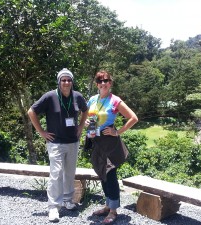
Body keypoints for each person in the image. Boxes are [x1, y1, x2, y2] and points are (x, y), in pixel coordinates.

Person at [27, 68, 88, 222]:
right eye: (63, 80)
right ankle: (54, 207)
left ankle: (68, 201)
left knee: (69, 173)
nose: (66, 82)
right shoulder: (50, 96)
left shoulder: (77, 96)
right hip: (56, 143)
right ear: (59, 82)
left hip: (73, 142)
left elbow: (85, 111)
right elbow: (31, 111)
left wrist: (80, 127)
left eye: (69, 80)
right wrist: (41, 132)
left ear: (72, 82)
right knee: (56, 174)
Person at [86, 70, 138, 224]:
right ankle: (108, 206)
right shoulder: (92, 100)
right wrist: (88, 125)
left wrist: (117, 131)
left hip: (109, 142)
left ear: (110, 83)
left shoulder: (115, 100)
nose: (103, 83)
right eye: (100, 81)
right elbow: (89, 118)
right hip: (96, 141)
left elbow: (133, 118)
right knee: (102, 173)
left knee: (110, 174)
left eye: (106, 80)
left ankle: (113, 211)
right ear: (97, 84)